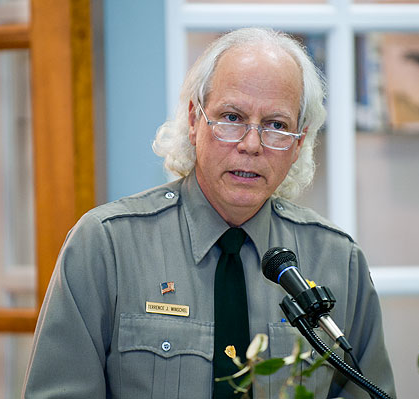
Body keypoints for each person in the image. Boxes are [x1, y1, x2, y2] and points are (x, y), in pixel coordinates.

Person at [23, 27, 396, 399]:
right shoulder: (106, 245)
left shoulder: (336, 259)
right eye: (232, 117)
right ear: (193, 120)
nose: (252, 145)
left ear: (298, 143)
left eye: (276, 125)